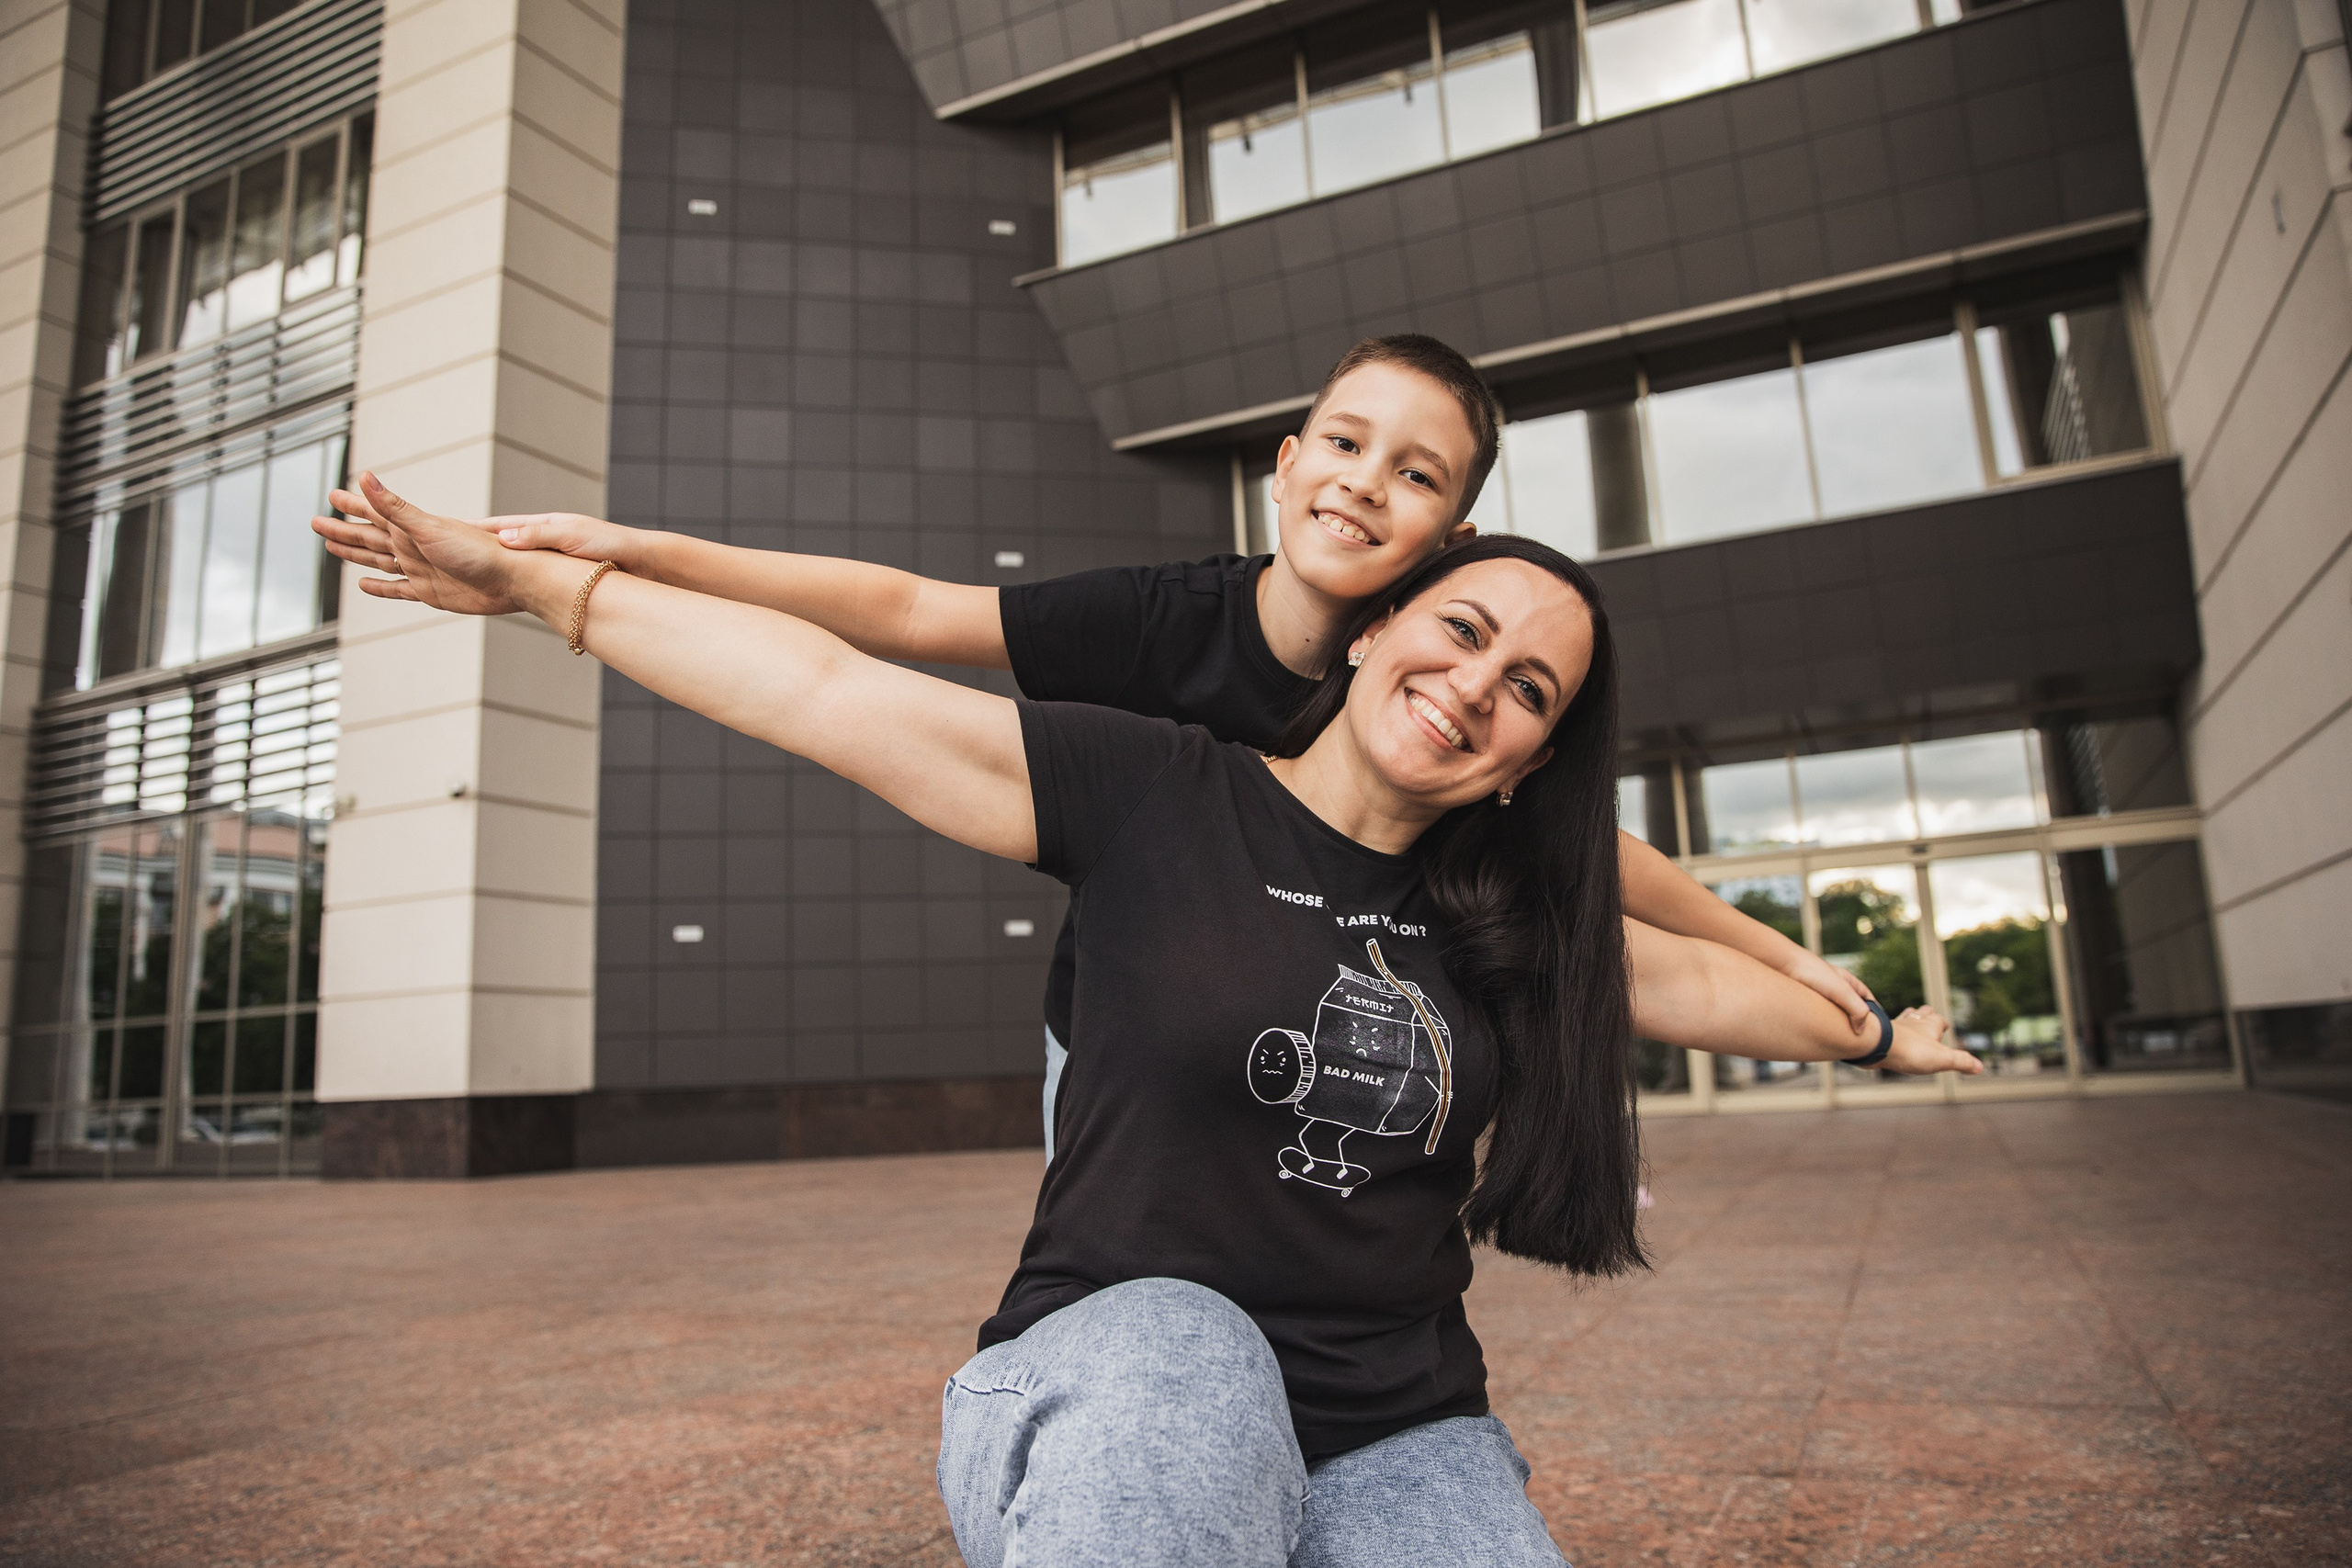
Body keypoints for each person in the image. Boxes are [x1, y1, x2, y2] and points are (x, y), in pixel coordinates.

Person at [320, 472, 1979, 1567]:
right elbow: (826, 687)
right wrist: (541, 588)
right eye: (1463, 631)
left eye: (1527, 690)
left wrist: (1878, 1035)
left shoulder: (1510, 931)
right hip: (1116, 1376)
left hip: (1399, 1425)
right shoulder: (1151, 791)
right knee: (1193, 1354)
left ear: (1529, 762)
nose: (1477, 685)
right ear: (1377, 630)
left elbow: (1732, 997)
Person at [315, 335, 1883, 1156]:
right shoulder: (1161, 624)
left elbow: (1598, 860)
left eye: (1415, 475)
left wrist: (1791, 961)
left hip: (1349, 989)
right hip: (1142, 1003)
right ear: (1288, 463)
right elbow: (892, 614)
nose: (1364, 484)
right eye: (1345, 444)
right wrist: (624, 553)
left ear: (1453, 535)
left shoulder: (1432, 686)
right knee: (1144, 1235)